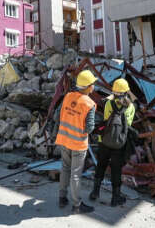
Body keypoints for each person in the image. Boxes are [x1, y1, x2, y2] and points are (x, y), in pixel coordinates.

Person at [54, 70, 97, 214]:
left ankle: (62, 198)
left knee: (65, 168)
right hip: (78, 144)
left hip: (64, 140)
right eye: (93, 84)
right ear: (87, 87)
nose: (94, 87)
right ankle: (77, 205)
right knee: (76, 174)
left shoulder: (67, 97)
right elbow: (90, 128)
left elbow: (57, 116)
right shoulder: (89, 104)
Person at [89, 78, 135, 207]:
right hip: (119, 143)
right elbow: (128, 125)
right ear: (126, 91)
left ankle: (95, 192)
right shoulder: (131, 107)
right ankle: (115, 198)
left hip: (104, 141)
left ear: (114, 91)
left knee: (101, 165)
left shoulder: (108, 103)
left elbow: (105, 120)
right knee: (116, 170)